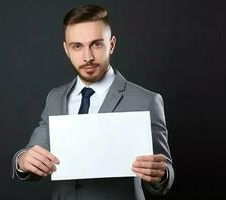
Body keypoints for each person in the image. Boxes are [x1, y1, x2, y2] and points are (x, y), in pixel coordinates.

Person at [12, 4, 174, 200]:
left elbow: (164, 173)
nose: (87, 57)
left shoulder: (147, 101)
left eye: (96, 44)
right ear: (66, 49)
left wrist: (161, 174)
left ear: (111, 44)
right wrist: (22, 161)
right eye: (77, 46)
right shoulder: (55, 97)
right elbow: (31, 155)